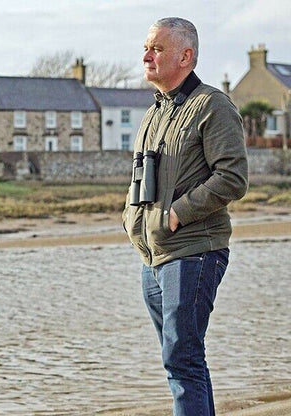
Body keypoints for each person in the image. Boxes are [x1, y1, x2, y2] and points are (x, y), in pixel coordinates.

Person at [122, 17, 248, 416]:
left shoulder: (212, 105)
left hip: (194, 251)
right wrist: (130, 219)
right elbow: (141, 177)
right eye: (146, 48)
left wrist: (177, 213)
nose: (147, 56)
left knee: (182, 359)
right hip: (152, 256)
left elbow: (232, 178)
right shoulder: (153, 113)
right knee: (181, 360)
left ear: (185, 56)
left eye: (157, 49)